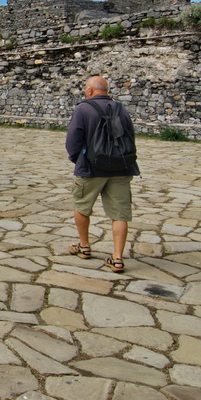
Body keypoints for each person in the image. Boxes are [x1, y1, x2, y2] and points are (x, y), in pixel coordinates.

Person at [64, 75, 140, 272]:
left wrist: (77, 159)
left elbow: (72, 141)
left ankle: (84, 246)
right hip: (120, 167)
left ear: (89, 91)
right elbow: (130, 136)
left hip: (91, 168)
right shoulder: (121, 109)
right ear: (106, 90)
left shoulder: (83, 109)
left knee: (81, 205)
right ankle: (117, 257)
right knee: (120, 214)